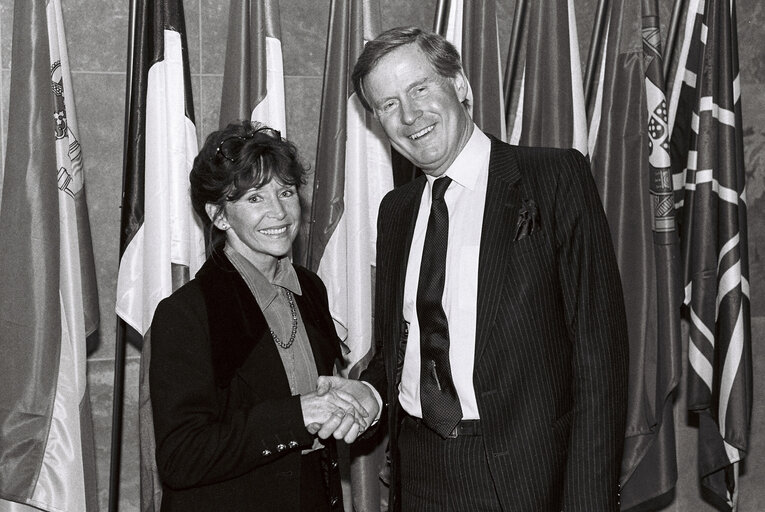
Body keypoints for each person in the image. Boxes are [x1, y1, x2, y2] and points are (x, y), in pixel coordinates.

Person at [320, 27, 630, 511]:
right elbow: (407, 344)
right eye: (387, 104)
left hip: (525, 477)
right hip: (419, 470)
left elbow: (600, 358)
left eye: (420, 88)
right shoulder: (396, 211)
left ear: (459, 85)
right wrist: (370, 393)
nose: (408, 115)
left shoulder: (553, 178)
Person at [149, 121, 371, 512]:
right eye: (255, 199)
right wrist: (297, 414)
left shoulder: (310, 288)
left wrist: (348, 402)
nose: (279, 212)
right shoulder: (186, 313)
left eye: (285, 192)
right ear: (219, 216)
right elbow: (181, 457)